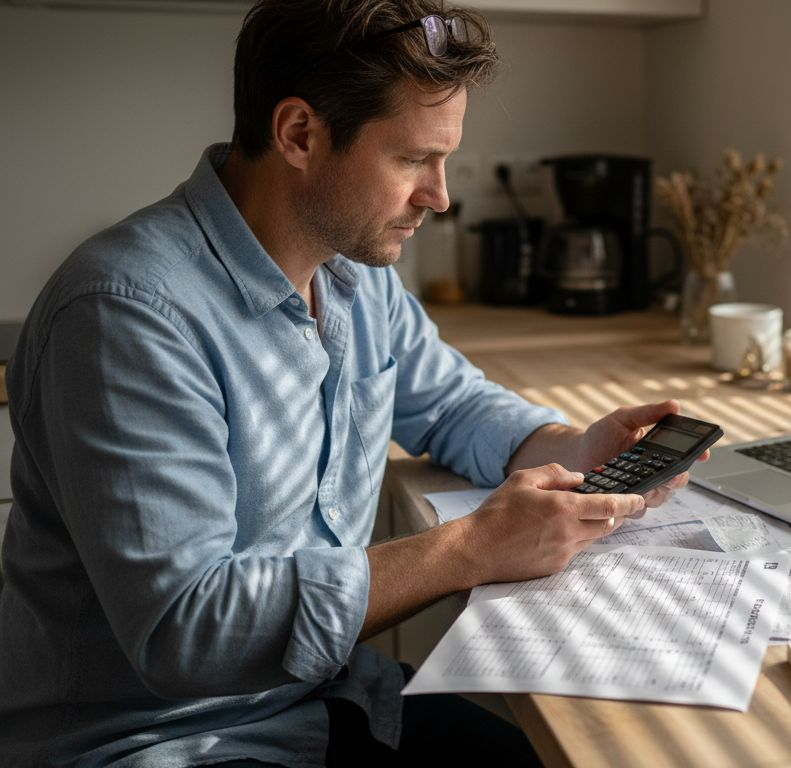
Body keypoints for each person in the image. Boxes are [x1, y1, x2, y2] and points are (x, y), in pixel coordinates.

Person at [0, 1, 697, 765]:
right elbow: (186, 629)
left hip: (321, 699)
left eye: (445, 161)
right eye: (411, 160)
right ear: (299, 134)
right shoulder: (126, 314)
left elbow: (453, 404)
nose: (440, 196)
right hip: (157, 742)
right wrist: (468, 548)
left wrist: (574, 444)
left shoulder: (353, 277)